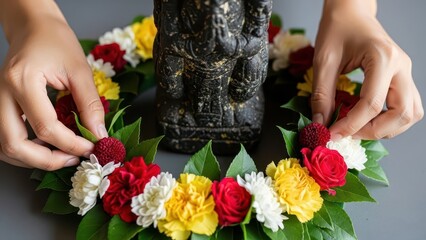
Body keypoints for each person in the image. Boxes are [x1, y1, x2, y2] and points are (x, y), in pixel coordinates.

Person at [0, 0, 423, 170]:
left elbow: (252, 50)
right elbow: (170, 54)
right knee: (173, 101)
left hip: (239, 60)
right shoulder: (177, 21)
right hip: (182, 61)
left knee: (244, 97)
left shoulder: (247, 26)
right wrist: (31, 16)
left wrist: (353, 9)